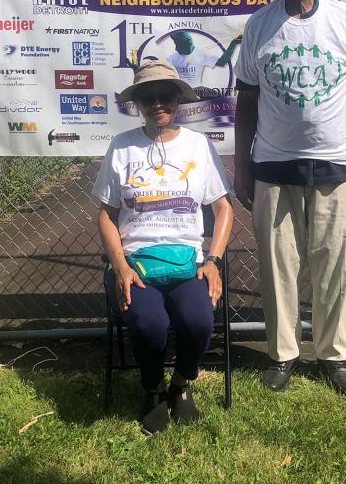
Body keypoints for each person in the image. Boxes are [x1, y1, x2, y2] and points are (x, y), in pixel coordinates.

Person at [233, 0, 346, 396]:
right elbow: (247, 103)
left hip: (335, 162)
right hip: (273, 164)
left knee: (336, 265)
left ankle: (335, 356)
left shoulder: (345, 19)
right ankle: (283, 354)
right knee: (278, 267)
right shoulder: (258, 25)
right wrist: (241, 166)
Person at [94, 60, 232, 434]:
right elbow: (105, 215)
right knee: (149, 322)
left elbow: (223, 209)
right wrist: (120, 266)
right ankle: (153, 388)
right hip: (136, 263)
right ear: (137, 103)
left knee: (199, 319)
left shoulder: (199, 145)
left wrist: (214, 260)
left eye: (165, 96)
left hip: (188, 262)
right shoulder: (121, 147)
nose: (158, 104)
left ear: (177, 100)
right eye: (148, 97)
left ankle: (182, 384)